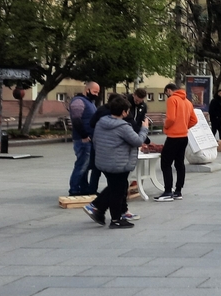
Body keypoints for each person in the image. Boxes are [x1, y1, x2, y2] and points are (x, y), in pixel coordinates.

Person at [84, 94, 150, 229]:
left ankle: (98, 209)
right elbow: (137, 141)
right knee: (118, 190)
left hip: (104, 162)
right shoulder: (123, 126)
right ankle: (114, 219)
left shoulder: (101, 122)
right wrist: (144, 128)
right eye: (128, 111)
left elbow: (96, 140)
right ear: (124, 112)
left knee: (116, 187)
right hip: (119, 163)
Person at [154, 83, 198, 203]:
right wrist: (184, 126)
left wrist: (166, 127)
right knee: (179, 164)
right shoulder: (188, 102)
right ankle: (178, 191)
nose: (166, 96)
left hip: (173, 136)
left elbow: (171, 118)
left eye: (165, 94)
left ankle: (168, 191)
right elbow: (194, 120)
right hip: (184, 136)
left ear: (168, 91)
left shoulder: (172, 100)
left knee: (165, 163)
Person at [68, 81, 100, 196]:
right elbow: (76, 119)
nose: (96, 94)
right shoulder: (78, 101)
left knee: (86, 166)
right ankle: (74, 190)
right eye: (95, 92)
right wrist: (84, 135)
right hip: (83, 140)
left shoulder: (89, 102)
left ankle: (84, 188)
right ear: (87, 90)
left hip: (89, 140)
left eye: (98, 92)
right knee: (81, 165)